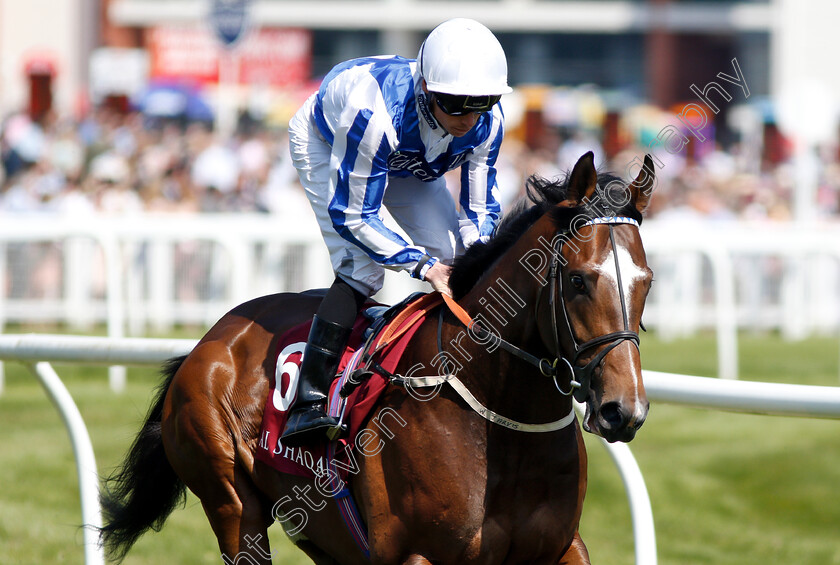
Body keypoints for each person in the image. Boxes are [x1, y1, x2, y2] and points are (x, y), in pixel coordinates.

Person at [283, 18, 511, 445]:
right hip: (332, 139)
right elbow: (353, 216)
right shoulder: (373, 113)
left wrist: (476, 258)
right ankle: (308, 404)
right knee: (362, 268)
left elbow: (480, 209)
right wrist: (422, 267)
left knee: (458, 261)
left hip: (412, 161)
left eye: (482, 102)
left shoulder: (488, 121)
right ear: (426, 89)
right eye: (456, 103)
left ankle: (447, 369)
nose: (469, 117)